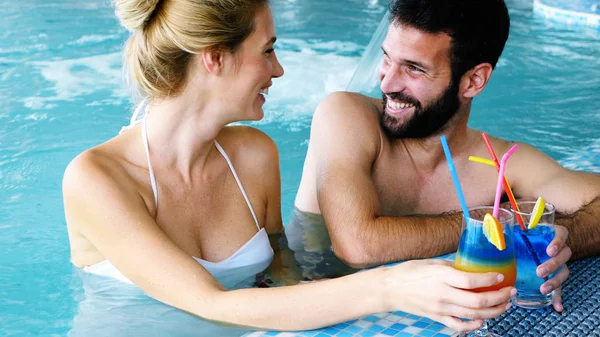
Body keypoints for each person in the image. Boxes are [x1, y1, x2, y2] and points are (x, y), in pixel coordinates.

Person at [63, 0, 517, 333]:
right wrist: (390, 287)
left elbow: (279, 277)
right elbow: (208, 301)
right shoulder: (96, 179)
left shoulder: (255, 155)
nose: (278, 71)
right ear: (215, 58)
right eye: (267, 51)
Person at [293, 0, 600, 313]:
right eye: (387, 57)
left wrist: (550, 239)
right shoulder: (346, 116)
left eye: (414, 68)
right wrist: (491, 225)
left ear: (473, 81)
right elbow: (357, 245)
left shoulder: (501, 162)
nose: (387, 82)